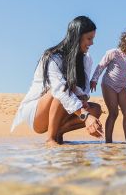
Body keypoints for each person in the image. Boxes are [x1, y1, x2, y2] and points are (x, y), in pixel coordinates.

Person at [11, 16, 103, 146]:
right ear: (77, 37)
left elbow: (85, 89)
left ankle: (58, 133)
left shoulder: (86, 59)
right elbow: (60, 91)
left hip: (64, 105)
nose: (92, 43)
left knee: (96, 110)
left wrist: (82, 99)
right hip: (38, 113)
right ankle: (51, 139)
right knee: (62, 91)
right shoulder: (52, 57)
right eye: (89, 39)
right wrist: (85, 117)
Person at [90, 26, 126, 143]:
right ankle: (108, 142)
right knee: (114, 113)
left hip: (122, 88)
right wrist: (94, 79)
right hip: (108, 85)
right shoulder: (113, 53)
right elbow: (101, 65)